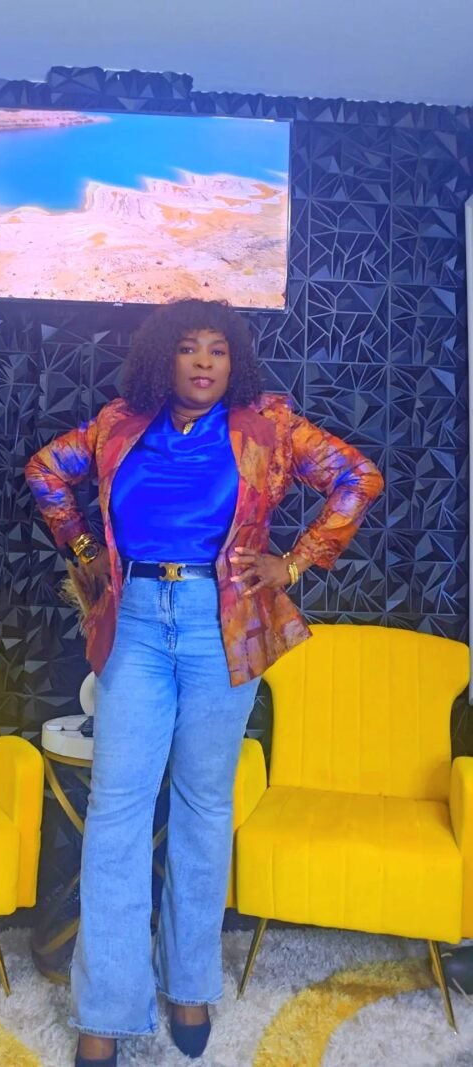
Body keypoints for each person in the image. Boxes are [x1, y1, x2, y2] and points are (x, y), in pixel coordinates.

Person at [25, 299, 383, 1066]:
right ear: (164, 357)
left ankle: (189, 980)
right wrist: (85, 552)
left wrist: (295, 562)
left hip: (221, 623)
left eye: (217, 349)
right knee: (117, 810)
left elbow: (358, 477)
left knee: (203, 803)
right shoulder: (120, 423)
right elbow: (46, 472)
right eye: (188, 348)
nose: (203, 362)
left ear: (234, 361)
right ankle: (106, 1006)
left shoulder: (268, 425)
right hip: (136, 622)